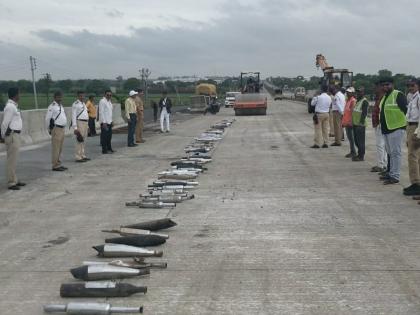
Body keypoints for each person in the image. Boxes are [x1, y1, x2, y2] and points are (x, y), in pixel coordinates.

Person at [379, 77, 408, 185]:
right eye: (383, 85)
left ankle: (395, 176)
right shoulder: (385, 97)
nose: (385, 87)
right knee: (390, 153)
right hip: (387, 129)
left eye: (387, 85)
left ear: (392, 84)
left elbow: (407, 110)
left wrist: (407, 126)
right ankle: (390, 173)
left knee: (396, 153)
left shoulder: (398, 95)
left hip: (396, 128)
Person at [1, 87, 25, 190]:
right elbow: (5, 123)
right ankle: (11, 182)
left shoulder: (13, 106)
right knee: (11, 160)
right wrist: (3, 136)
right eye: (19, 93)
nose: (20, 95)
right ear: (15, 95)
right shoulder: (10, 107)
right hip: (12, 135)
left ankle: (14, 179)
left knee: (14, 159)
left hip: (15, 135)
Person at [403, 78, 420, 195]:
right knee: (414, 155)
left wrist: (417, 132)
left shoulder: (418, 98)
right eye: (408, 85)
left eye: (412, 85)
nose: (410, 88)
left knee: (412, 156)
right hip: (410, 126)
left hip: (416, 127)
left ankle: (416, 183)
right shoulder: (412, 97)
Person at [45, 91, 68, 171]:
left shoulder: (60, 106)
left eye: (60, 97)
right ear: (54, 98)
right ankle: (55, 165)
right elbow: (48, 119)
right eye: (58, 97)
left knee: (60, 148)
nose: (60, 98)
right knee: (56, 148)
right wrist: (49, 129)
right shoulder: (52, 106)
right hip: (56, 128)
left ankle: (59, 163)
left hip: (62, 128)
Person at [371, 82, 387, 172]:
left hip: (380, 124)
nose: (374, 90)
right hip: (378, 124)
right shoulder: (378, 98)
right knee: (383, 145)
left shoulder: (383, 98)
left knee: (380, 145)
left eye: (375, 88)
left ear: (380, 88)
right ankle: (384, 164)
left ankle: (381, 165)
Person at [352, 87, 369, 162]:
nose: (358, 93)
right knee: (356, 141)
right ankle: (359, 154)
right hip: (355, 124)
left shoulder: (364, 101)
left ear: (363, 93)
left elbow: (364, 113)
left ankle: (361, 156)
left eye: (360, 92)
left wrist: (360, 123)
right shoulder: (358, 101)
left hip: (360, 125)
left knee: (360, 141)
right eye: (357, 92)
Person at [72, 91, 90, 162]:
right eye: (80, 96)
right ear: (78, 96)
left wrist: (88, 126)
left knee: (84, 140)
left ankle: (82, 155)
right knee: (79, 139)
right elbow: (73, 116)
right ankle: (78, 156)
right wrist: (75, 127)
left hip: (85, 122)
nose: (82, 97)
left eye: (83, 96)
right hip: (79, 122)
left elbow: (86, 115)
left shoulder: (84, 104)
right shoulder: (75, 104)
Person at [342, 87, 357, 158]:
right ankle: (352, 151)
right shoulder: (348, 100)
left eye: (349, 92)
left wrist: (351, 121)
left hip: (350, 122)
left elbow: (352, 112)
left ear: (352, 93)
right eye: (347, 92)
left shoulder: (353, 101)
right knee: (350, 138)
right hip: (346, 122)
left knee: (351, 138)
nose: (347, 93)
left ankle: (353, 152)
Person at [98, 90, 114, 154]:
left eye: (110, 95)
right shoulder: (102, 101)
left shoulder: (109, 102)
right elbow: (101, 112)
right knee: (104, 137)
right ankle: (104, 150)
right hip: (105, 122)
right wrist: (104, 122)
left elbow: (110, 113)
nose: (109, 96)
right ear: (105, 95)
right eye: (108, 95)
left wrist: (112, 120)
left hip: (109, 121)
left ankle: (109, 148)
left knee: (109, 136)